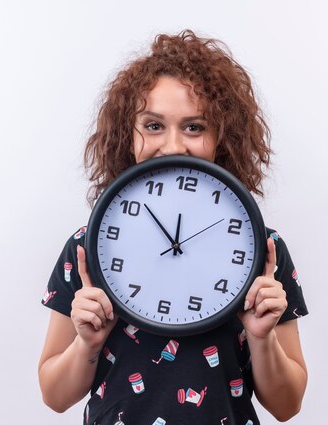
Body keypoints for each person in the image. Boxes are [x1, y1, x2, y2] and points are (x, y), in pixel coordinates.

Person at [38, 29, 309, 424]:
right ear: (126, 136)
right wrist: (87, 342)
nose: (173, 145)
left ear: (222, 136)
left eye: (194, 127)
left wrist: (261, 337)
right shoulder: (89, 246)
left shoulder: (262, 249)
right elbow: (54, 396)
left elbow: (287, 407)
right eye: (153, 125)